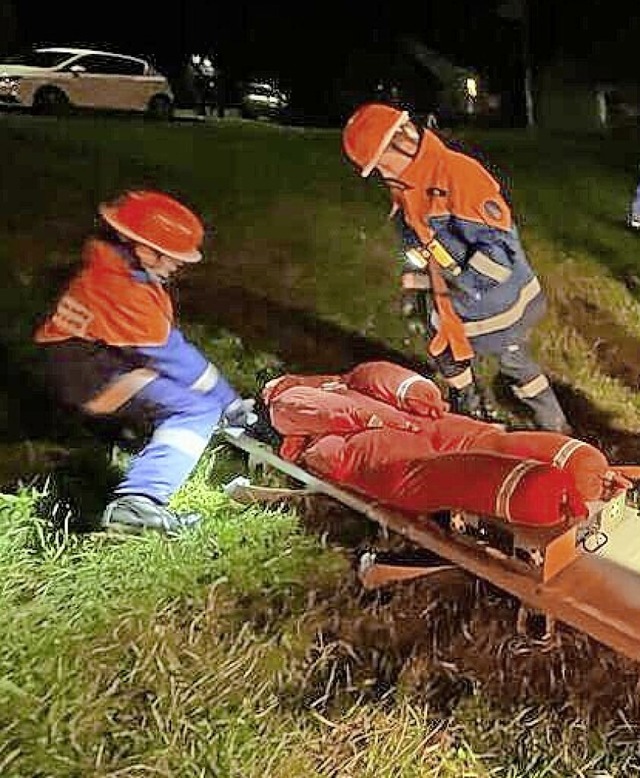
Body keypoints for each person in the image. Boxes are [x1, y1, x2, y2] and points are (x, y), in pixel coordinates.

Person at [34, 190, 255, 534]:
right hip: (86, 371)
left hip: (86, 358)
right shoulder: (121, 290)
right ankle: (138, 504)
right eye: (166, 255)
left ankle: (144, 442)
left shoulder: (117, 269)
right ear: (133, 242)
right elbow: (178, 359)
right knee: (196, 410)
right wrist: (228, 403)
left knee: (181, 393)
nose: (175, 264)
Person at [341, 102, 570, 432]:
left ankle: (557, 430)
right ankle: (471, 413)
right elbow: (416, 246)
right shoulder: (408, 187)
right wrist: (416, 291)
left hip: (495, 302)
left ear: (401, 143)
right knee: (447, 354)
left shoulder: (457, 176)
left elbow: (499, 252)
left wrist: (462, 285)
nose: (382, 173)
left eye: (380, 165)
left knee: (513, 362)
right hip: (451, 299)